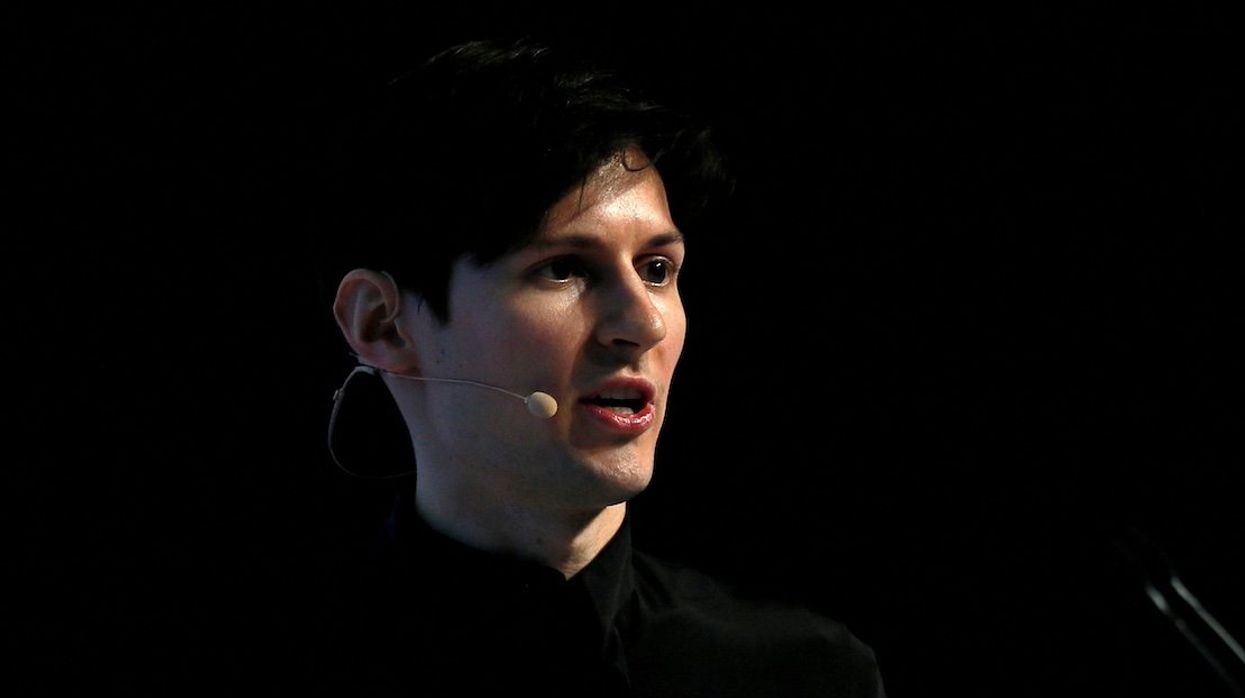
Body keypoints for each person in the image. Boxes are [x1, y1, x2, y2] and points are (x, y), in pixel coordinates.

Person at [319, 35, 886, 697]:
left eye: (656, 270)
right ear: (381, 324)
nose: (643, 324)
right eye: (563, 269)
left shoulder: (801, 674)